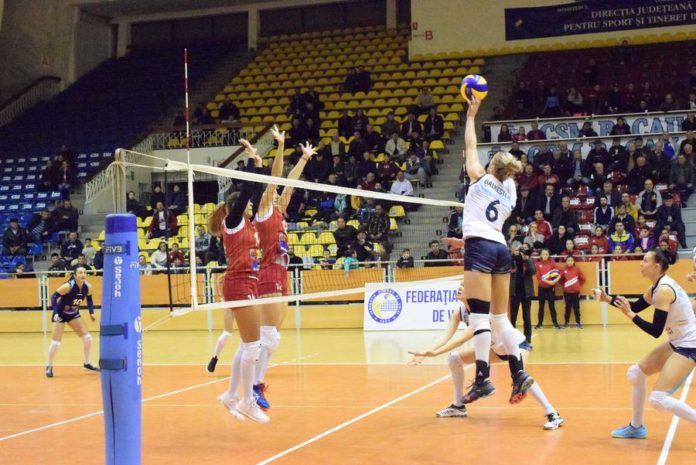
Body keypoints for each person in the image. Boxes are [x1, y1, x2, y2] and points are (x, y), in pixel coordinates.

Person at [217, 129, 314, 413]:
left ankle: (244, 388)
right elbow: (276, 177)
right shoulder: (263, 209)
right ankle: (252, 387)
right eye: (274, 190)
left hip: (281, 272)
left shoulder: (280, 208)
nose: (278, 192)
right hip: (268, 272)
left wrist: (304, 159)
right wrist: (280, 146)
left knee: (269, 339)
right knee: (264, 338)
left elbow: (289, 183)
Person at [408, 285, 564, 430]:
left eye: (464, 286)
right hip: (497, 349)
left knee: (521, 378)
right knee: (454, 359)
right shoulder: (460, 312)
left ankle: (553, 414)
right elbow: (446, 336)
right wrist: (425, 352)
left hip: (517, 345)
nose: (459, 288)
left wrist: (435, 353)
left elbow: (460, 340)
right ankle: (458, 406)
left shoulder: (483, 313)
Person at [460, 96, 531, 405]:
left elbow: (470, 146)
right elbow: (504, 174)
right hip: (501, 248)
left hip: (479, 246)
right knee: (501, 319)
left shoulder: (481, 178)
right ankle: (518, 373)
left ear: (492, 167)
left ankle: (482, 379)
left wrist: (471, 116)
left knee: (479, 318)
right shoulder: (511, 191)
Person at [594, 250, 696, 439]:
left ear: (656, 266)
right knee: (635, 373)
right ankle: (636, 427)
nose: (641, 263)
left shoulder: (664, 290)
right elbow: (634, 306)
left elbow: (655, 330)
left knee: (658, 400)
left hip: (690, 345)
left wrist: (630, 315)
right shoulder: (655, 287)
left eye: (645, 260)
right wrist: (607, 298)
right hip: (678, 341)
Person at [208, 140, 269, 424]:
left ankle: (230, 396)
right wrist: (250, 164)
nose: (251, 206)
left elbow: (257, 190)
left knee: (249, 345)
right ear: (237, 207)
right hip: (238, 283)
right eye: (247, 204)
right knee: (253, 346)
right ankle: (246, 401)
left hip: (249, 283)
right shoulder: (232, 222)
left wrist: (259, 162)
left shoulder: (248, 221)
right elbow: (247, 191)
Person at [45, 266, 99, 377]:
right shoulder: (68, 286)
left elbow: (89, 299)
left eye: (84, 272)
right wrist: (56, 313)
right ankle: (49, 366)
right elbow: (53, 297)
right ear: (75, 275)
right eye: (80, 273)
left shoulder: (88, 287)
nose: (83, 274)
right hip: (60, 314)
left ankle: (87, 363)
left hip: (73, 313)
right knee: (56, 342)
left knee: (87, 338)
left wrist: (91, 312)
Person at [510, 244, 535, 343]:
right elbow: (507, 269)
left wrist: (526, 259)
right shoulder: (511, 259)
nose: (519, 252)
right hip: (514, 292)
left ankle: (527, 340)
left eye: (520, 250)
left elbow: (533, 271)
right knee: (512, 317)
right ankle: (511, 340)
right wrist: (513, 258)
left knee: (527, 317)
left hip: (526, 293)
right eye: (516, 250)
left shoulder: (529, 260)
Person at [535, 249, 561, 329]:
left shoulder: (552, 263)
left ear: (548, 255)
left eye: (546, 254)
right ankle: (539, 323)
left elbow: (559, 273)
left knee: (552, 305)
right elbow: (538, 277)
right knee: (541, 306)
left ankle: (555, 323)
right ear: (541, 255)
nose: (545, 256)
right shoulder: (538, 264)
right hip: (541, 288)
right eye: (543, 254)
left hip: (550, 288)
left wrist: (554, 281)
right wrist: (549, 282)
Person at [561, 255, 585, 328]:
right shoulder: (564, 270)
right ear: (566, 262)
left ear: (573, 262)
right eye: (568, 260)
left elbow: (583, 279)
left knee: (576, 308)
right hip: (567, 293)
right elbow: (560, 280)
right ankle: (566, 322)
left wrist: (578, 285)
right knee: (567, 308)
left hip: (576, 293)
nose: (570, 262)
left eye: (571, 260)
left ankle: (578, 322)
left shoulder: (577, 269)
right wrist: (565, 285)